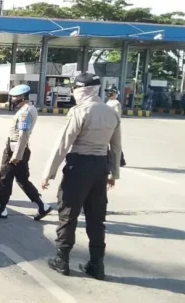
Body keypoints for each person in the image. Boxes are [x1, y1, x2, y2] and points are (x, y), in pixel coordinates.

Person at [41, 72, 122, 281]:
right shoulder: (111, 112)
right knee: (96, 219)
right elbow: (116, 147)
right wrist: (113, 173)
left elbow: (63, 144)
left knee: (68, 214)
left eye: (75, 89)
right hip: (100, 168)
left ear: (82, 90)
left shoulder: (80, 111)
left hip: (79, 167)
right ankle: (97, 264)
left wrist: (48, 174)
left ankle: (62, 260)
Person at [0, 84, 52, 220]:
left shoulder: (24, 112)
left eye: (15, 97)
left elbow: (23, 134)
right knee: (22, 180)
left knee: (5, 178)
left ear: (22, 97)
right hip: (20, 148)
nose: (13, 100)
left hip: (15, 149)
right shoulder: (29, 108)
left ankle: (2, 209)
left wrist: (16, 155)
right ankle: (42, 206)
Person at [105, 85, 126, 167]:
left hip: (113, 125)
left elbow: (117, 115)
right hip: (107, 125)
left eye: (110, 92)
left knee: (115, 145)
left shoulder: (116, 103)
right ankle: (110, 159)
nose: (109, 93)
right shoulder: (108, 102)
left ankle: (120, 160)